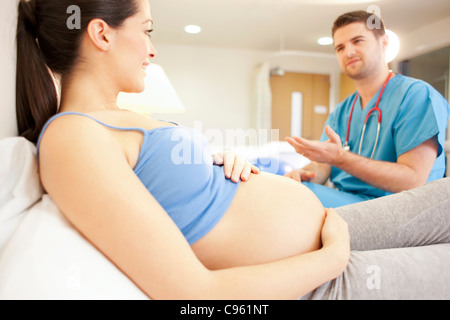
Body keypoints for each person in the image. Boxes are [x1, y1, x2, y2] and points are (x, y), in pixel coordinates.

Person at [16, 0, 450, 300]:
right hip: (316, 275)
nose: (152, 49)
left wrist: (218, 167)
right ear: (101, 34)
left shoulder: (112, 119)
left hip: (330, 229)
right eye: (146, 31)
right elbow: (191, 293)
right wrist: (333, 258)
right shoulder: (72, 138)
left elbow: (185, 198)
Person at [285, 10, 450, 208]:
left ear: (384, 43)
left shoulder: (417, 96)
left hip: (401, 209)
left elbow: (413, 180)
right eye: (340, 47)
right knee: (285, 191)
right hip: (351, 202)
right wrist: (304, 174)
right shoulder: (342, 111)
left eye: (358, 41)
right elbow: (323, 165)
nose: (349, 52)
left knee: (289, 202)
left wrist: (342, 159)